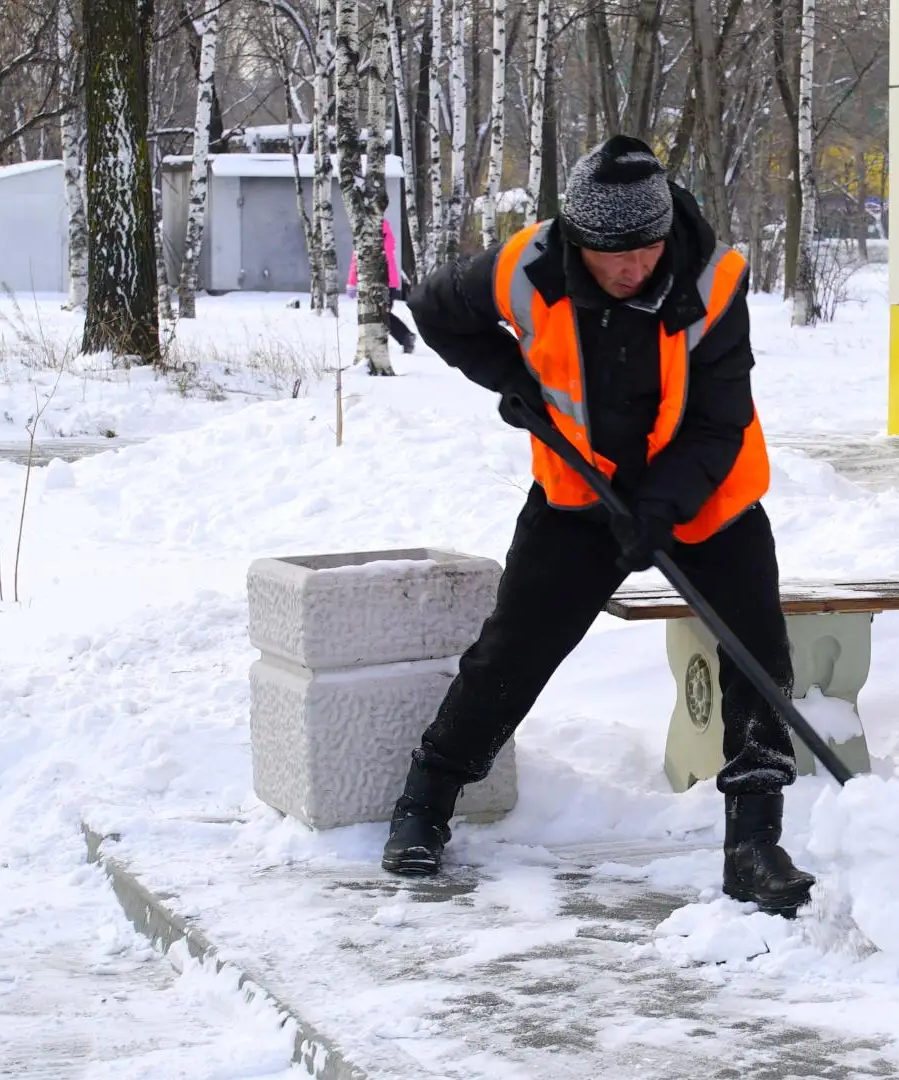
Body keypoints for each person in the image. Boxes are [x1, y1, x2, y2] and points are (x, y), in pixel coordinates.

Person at [384, 135, 815, 916]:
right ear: (576, 239)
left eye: (648, 248)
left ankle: (754, 842)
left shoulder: (713, 281)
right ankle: (426, 801)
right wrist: (510, 378)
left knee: (756, 657)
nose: (634, 266)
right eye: (614, 254)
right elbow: (436, 310)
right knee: (513, 651)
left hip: (708, 497)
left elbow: (718, 421)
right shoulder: (526, 267)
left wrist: (661, 508)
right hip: (578, 496)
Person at [347, 219, 416, 353]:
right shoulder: (386, 236)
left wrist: (352, 283)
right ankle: (402, 337)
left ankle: (403, 336)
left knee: (378, 315)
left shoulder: (366, 236)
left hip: (377, 283)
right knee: (382, 314)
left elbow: (357, 260)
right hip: (390, 283)